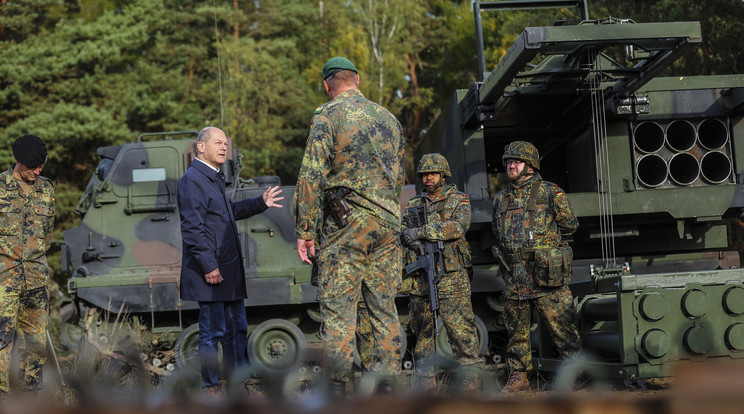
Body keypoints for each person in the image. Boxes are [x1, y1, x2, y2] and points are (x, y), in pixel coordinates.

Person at [294, 56, 406, 394]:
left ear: (327, 85)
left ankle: (339, 391)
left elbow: (311, 176)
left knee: (340, 310)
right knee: (384, 308)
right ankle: (386, 388)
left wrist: (305, 232)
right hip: (387, 225)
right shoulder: (389, 118)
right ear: (357, 79)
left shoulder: (327, 115)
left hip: (347, 227)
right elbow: (399, 178)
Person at [178, 126, 284, 395]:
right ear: (201, 147)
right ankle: (211, 387)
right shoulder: (193, 179)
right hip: (212, 272)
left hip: (229, 273)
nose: (224, 147)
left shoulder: (213, 177)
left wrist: (260, 203)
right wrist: (209, 265)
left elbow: (227, 213)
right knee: (212, 333)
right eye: (218, 142)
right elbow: (193, 228)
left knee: (236, 331)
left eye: (226, 143)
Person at [491, 141, 581, 392]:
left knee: (562, 326)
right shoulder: (500, 199)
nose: (510, 165)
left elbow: (570, 225)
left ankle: (575, 372)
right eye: (508, 161)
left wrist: (547, 246)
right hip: (515, 275)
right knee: (516, 330)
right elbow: (497, 233)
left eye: (516, 161)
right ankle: (519, 376)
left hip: (546, 273)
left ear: (530, 166)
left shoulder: (551, 192)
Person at [400, 153, 485, 393]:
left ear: (443, 176)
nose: (428, 178)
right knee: (423, 332)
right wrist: (411, 240)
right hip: (421, 279)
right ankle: (426, 383)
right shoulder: (414, 204)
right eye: (425, 174)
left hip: (452, 276)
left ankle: (471, 382)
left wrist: (422, 232)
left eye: (433, 174)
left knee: (461, 332)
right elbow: (404, 231)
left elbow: (457, 227)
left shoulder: (459, 199)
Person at [0, 135, 54, 396]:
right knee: (2, 343)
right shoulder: (0, 187)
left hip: (36, 280)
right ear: (17, 161)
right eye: (32, 166)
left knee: (35, 344)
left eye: (41, 165)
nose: (37, 171)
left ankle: (29, 399)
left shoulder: (47, 189)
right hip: (4, 282)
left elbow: (47, 235)